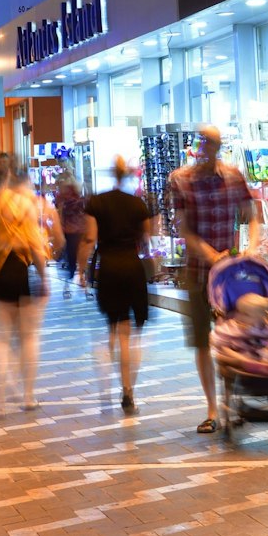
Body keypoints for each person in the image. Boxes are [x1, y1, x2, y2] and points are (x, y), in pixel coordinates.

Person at [167, 124, 260, 433]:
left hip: (231, 275)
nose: (208, 149)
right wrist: (211, 255)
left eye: (214, 144)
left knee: (233, 336)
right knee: (202, 341)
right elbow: (184, 229)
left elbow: (252, 214)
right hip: (197, 272)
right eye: (204, 143)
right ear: (197, 145)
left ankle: (231, 401)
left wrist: (251, 248)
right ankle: (211, 407)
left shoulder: (233, 177)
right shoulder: (181, 181)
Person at [0, 171, 53, 413]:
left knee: (1, 338)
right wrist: (44, 277)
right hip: (19, 268)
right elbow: (35, 245)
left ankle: (0, 404)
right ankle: (27, 396)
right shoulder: (25, 206)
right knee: (28, 337)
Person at [78, 157, 154, 411]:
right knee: (132, 337)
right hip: (133, 269)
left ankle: (113, 379)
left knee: (117, 329)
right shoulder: (137, 204)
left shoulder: (97, 203)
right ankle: (129, 390)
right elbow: (146, 240)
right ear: (128, 174)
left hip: (109, 269)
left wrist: (81, 271)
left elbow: (90, 238)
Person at [55, 178, 88, 296]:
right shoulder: (77, 200)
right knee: (76, 256)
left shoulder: (66, 200)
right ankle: (78, 279)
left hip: (71, 231)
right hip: (75, 230)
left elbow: (60, 215)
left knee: (72, 257)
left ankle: (72, 281)